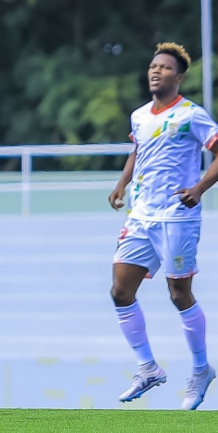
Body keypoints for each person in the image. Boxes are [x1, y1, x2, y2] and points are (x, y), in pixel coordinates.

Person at [109, 43, 218, 409]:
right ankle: (148, 368)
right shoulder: (139, 116)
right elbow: (138, 150)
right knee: (120, 291)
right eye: (153, 65)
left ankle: (201, 370)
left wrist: (200, 188)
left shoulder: (192, 114)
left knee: (178, 294)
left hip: (176, 217)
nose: (155, 71)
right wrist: (122, 183)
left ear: (178, 76)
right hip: (140, 216)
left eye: (164, 67)